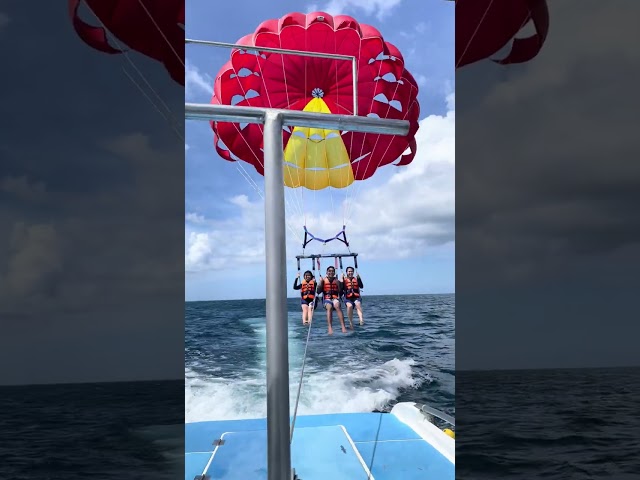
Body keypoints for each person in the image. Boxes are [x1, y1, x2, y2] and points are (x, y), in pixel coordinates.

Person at [316, 266, 348, 334]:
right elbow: (318, 292)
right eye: (329, 271)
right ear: (327, 272)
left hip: (335, 298)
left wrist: (340, 284)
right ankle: (330, 327)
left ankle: (343, 327)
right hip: (327, 299)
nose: (331, 272)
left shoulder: (336, 281)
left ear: (334, 272)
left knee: (337, 305)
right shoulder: (323, 280)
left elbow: (340, 292)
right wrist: (320, 283)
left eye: (332, 271)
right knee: (329, 307)